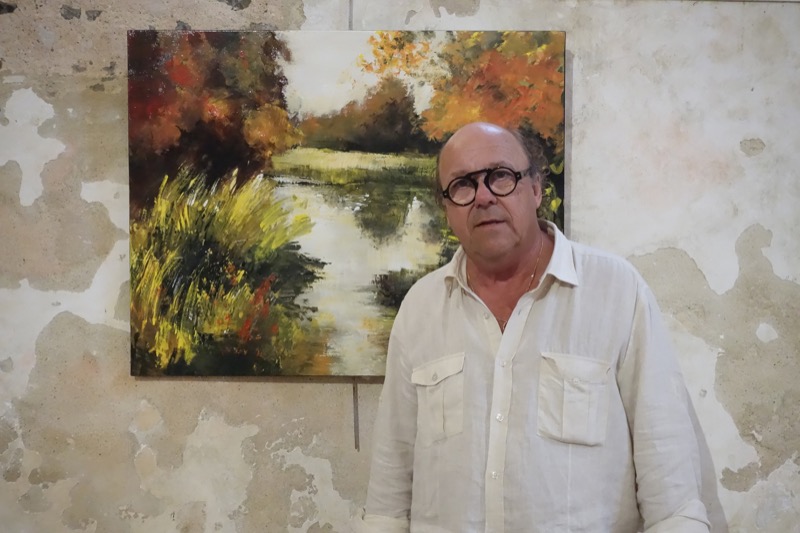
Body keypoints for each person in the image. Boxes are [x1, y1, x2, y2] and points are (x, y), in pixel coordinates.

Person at [354, 122, 711, 532]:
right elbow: (390, 489)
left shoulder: (616, 292)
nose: (484, 196)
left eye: (501, 176)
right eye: (463, 185)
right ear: (447, 208)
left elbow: (670, 486)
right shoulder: (420, 308)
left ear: (536, 189)